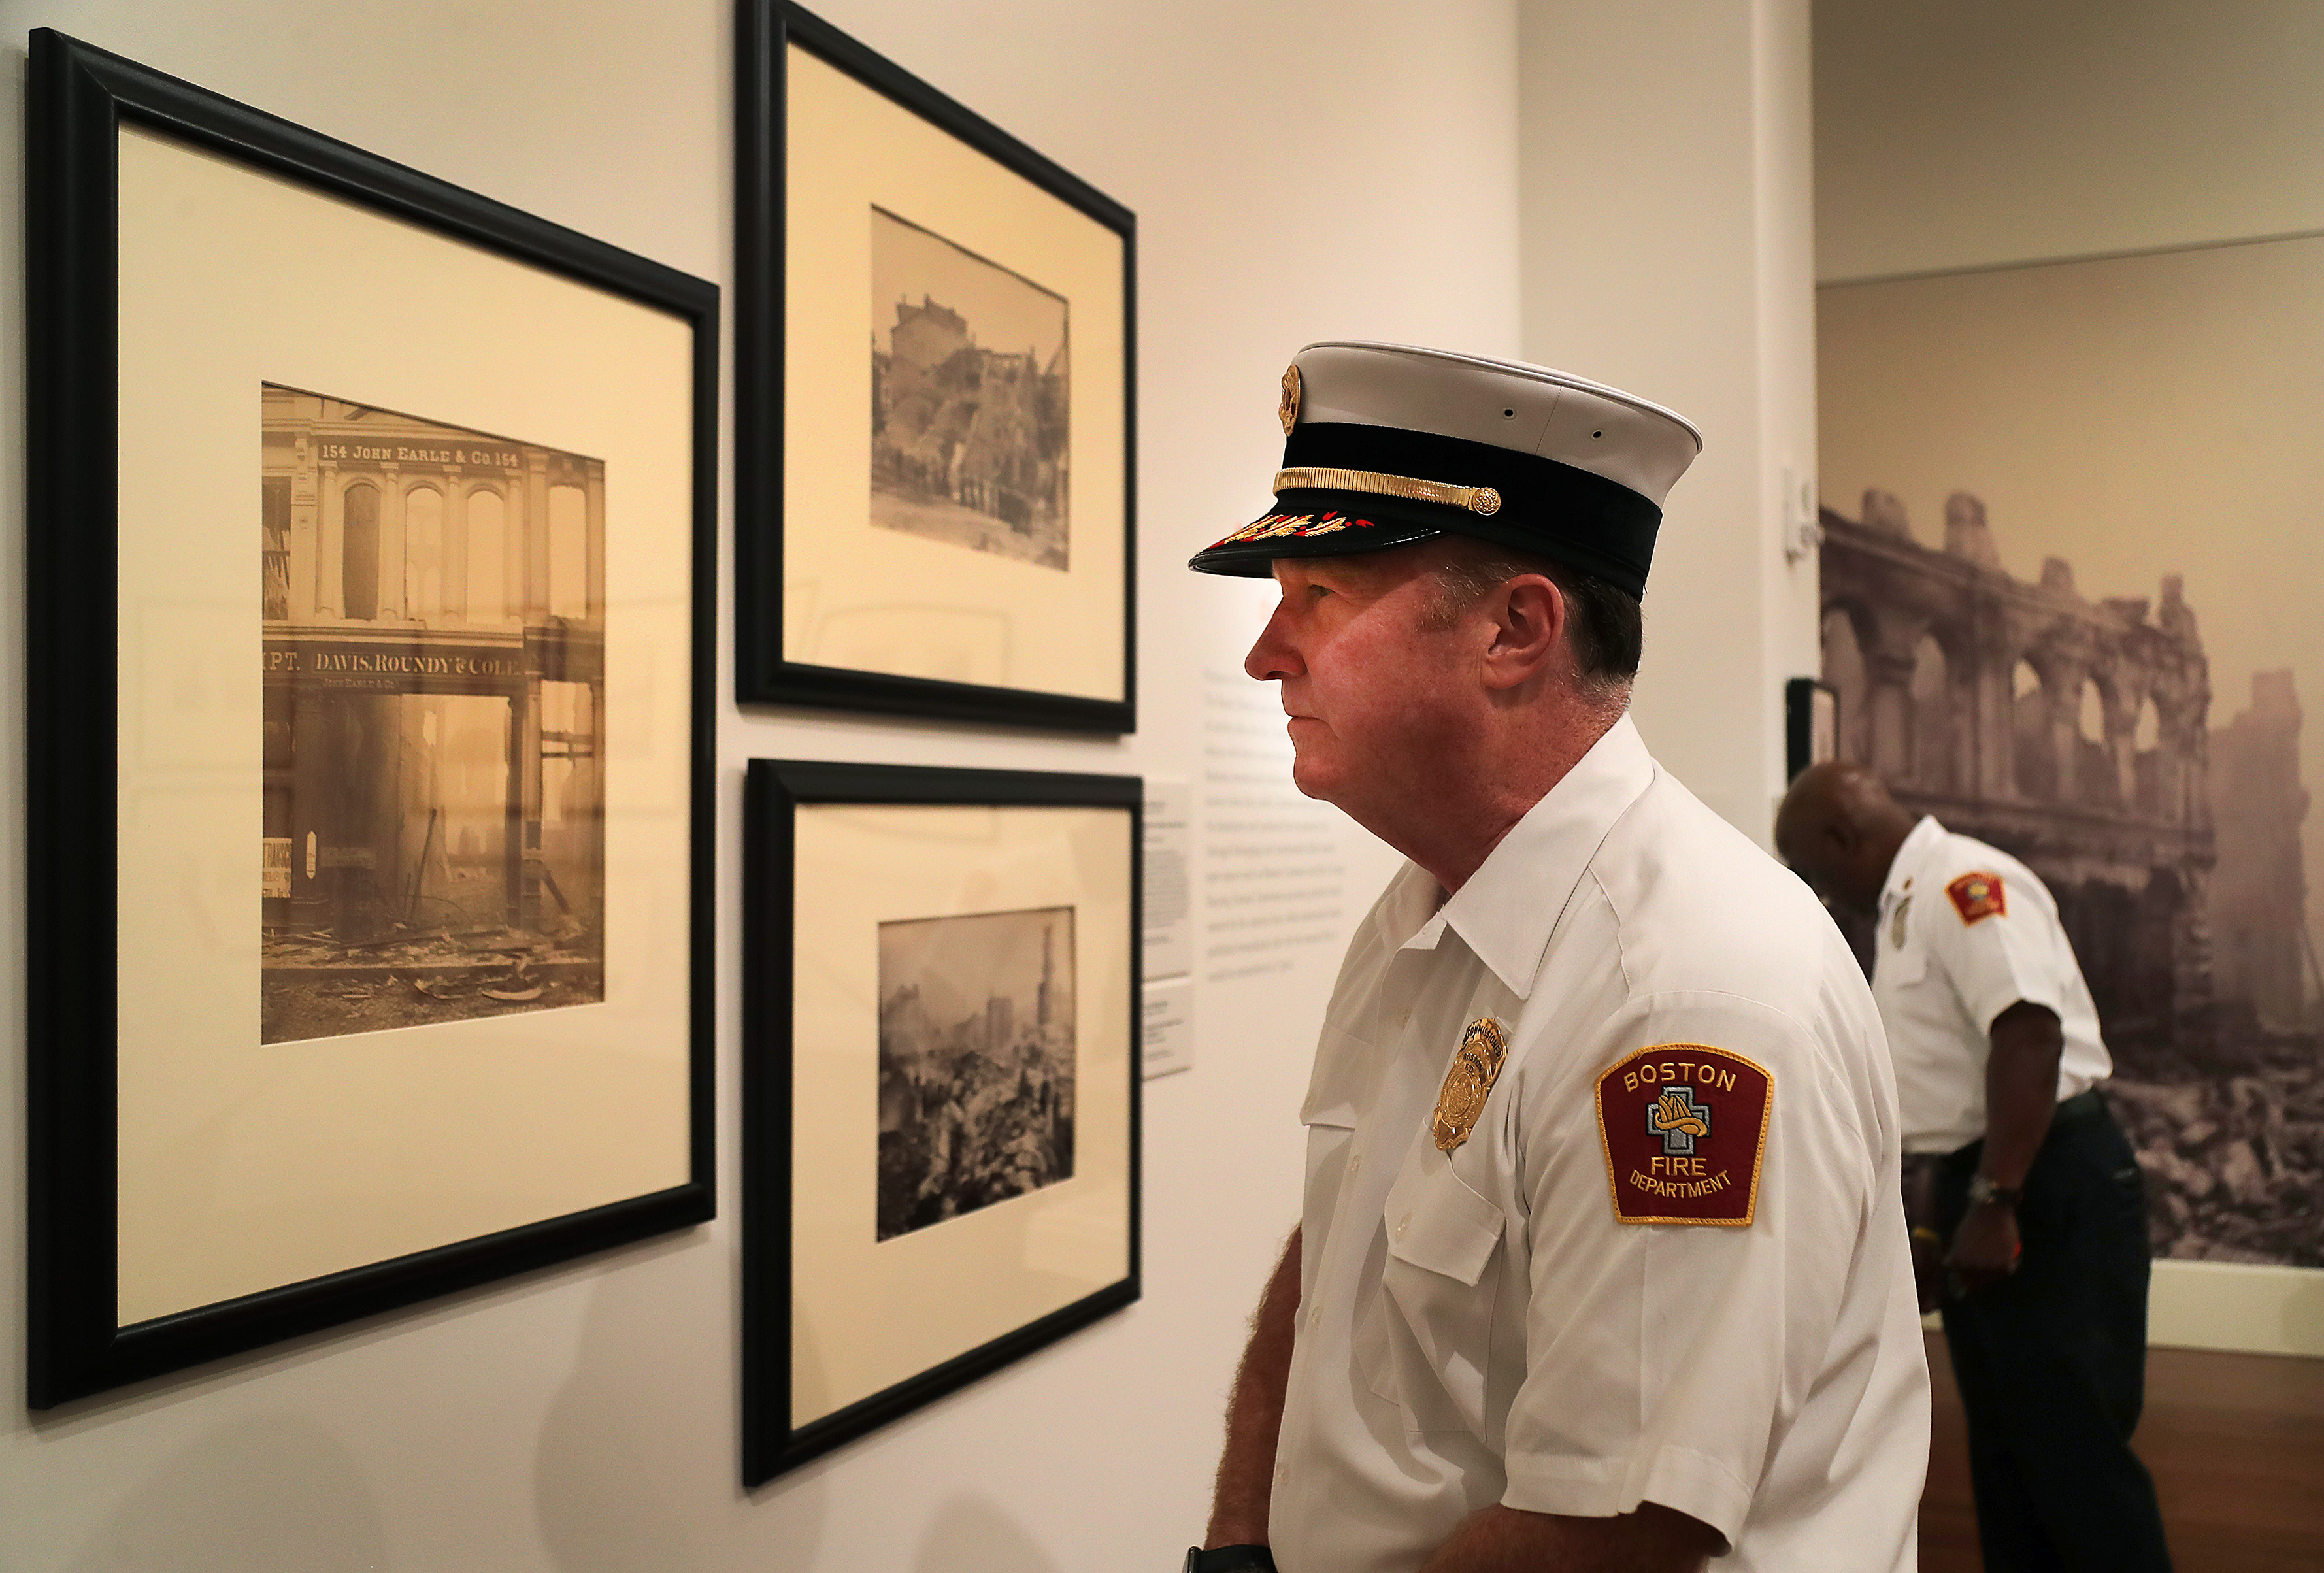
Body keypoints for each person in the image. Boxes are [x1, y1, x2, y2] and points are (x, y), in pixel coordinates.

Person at [1180, 342, 1929, 1573]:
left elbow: (1616, 1529)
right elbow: (1339, 1250)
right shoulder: (1428, 910)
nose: (1267, 652)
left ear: (1516, 628)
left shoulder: (1687, 993)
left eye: (1316, 594)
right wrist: (1241, 1540)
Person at [1774, 761, 2173, 1573]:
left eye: (1815, 873)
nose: (1822, 895)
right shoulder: (1903, 910)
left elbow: (2028, 1033)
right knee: (2008, 1452)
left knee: (2074, 1457)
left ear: (1843, 840)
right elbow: (1943, 1094)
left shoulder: (1964, 884)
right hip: (1995, 1179)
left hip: (2043, 1181)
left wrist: (1994, 1199)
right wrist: (1936, 1218)